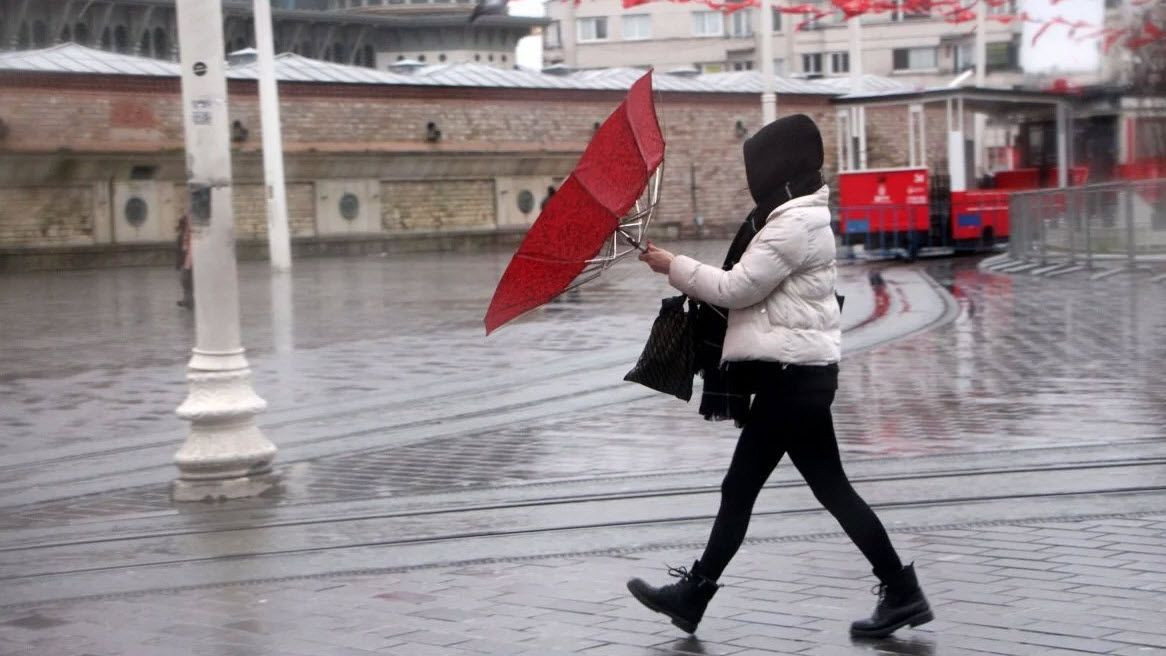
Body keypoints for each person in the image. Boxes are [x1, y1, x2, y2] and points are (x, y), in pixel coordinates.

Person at [626, 114, 932, 639]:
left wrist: (673, 264)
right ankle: (901, 592)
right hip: (799, 378)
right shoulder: (793, 217)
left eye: (756, 168)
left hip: (790, 380)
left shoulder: (793, 224)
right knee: (830, 490)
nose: (752, 179)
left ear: (777, 167)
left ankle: (695, 593)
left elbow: (736, 289)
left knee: (740, 488)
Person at [175, 214, 194, 310]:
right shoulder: (183, 235)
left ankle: (189, 301)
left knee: (187, 282)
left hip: (189, 262)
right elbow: (180, 250)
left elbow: (184, 249)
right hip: (186, 262)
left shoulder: (188, 235)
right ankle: (187, 300)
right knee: (185, 282)